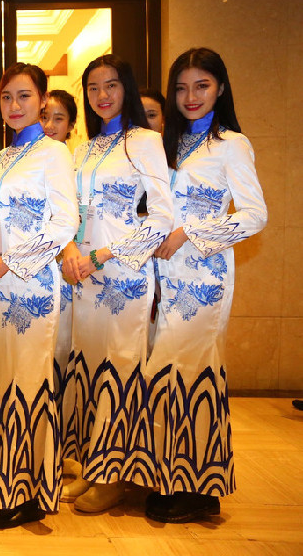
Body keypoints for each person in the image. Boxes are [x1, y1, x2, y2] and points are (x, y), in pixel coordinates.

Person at [145, 47, 266, 523]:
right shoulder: (169, 143)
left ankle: (202, 489)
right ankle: (175, 477)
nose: (190, 96)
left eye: (202, 85)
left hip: (203, 278)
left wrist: (190, 234)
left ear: (220, 87)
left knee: (193, 375)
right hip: (160, 279)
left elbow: (255, 215)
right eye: (181, 87)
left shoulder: (231, 143)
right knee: (168, 377)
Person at [59, 54, 173, 513]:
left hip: (123, 271)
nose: (102, 96)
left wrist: (104, 255)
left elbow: (162, 216)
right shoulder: (83, 148)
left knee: (120, 370)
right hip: (82, 277)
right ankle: (94, 465)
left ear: (125, 88)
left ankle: (117, 476)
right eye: (93, 88)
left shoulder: (144, 141)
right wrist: (71, 249)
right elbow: (68, 213)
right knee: (88, 370)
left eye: (111, 86)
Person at [0, 63, 77, 528]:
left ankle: (31, 492)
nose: (14, 106)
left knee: (29, 382)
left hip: (31, 283)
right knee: (3, 378)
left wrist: (9, 261)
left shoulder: (54, 154)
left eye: (24, 97)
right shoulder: (0, 158)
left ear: (43, 100)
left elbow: (64, 222)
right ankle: (6, 479)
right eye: (7, 97)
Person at [40, 89, 89, 502]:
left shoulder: (76, 162)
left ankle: (70, 453)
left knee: (70, 361)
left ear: (71, 124)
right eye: (45, 116)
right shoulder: (28, 159)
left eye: (58, 119)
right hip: (39, 271)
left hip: (78, 275)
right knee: (47, 360)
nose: (49, 126)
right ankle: (47, 452)